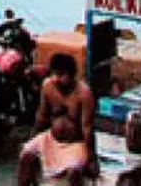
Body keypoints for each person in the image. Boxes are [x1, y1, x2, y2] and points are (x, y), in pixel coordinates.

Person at [17, 53, 97, 186]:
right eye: (54, 74)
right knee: (26, 155)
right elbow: (41, 116)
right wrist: (33, 139)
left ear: (72, 75)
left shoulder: (84, 94)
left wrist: (92, 159)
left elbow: (87, 128)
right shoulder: (47, 86)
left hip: (75, 144)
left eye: (61, 75)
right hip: (51, 138)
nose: (56, 79)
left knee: (74, 172)